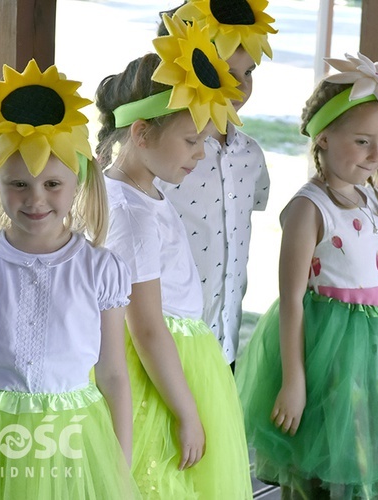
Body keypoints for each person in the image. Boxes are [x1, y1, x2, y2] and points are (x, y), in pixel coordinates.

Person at [0, 60, 139, 499]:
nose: (35, 199)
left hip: (73, 441)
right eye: (17, 184)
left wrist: (120, 466)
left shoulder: (100, 270)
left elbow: (113, 374)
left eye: (52, 184)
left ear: (77, 181)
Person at [236, 52, 378, 499]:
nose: (376, 155)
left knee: (376, 452)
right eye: (363, 141)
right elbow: (291, 300)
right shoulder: (309, 209)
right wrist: (294, 380)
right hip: (332, 356)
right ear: (323, 137)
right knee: (333, 457)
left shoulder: (374, 201)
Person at [95, 14, 251, 499]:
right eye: (191, 141)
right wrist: (186, 412)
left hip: (171, 357)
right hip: (158, 370)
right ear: (140, 133)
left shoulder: (132, 193)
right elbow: (145, 325)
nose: (201, 154)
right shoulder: (132, 214)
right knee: (161, 477)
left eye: (203, 141)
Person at [155, 0, 276, 366]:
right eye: (225, 71)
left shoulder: (250, 157)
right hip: (165, 346)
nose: (240, 86)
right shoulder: (165, 156)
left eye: (249, 72)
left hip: (224, 345)